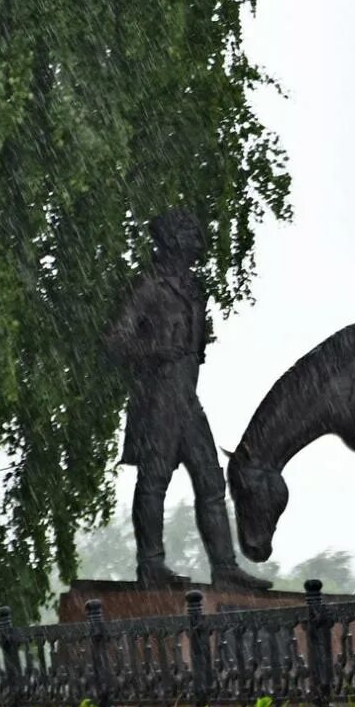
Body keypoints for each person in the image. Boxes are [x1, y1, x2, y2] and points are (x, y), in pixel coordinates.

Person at [103, 209, 269, 591]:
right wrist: (155, 348)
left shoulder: (194, 289)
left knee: (211, 480)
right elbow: (115, 340)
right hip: (158, 398)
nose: (199, 241)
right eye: (191, 234)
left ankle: (225, 568)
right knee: (154, 481)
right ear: (173, 241)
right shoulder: (148, 286)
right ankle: (150, 564)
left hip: (187, 400)